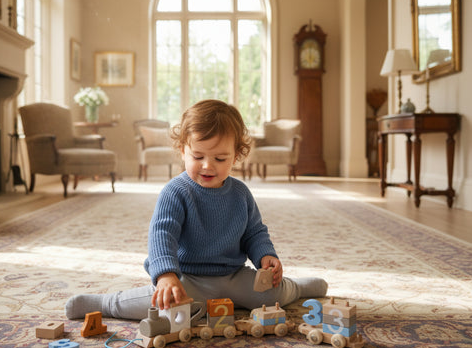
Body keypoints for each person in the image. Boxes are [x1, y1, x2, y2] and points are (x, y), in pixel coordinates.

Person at [65, 99, 327, 321]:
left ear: (236, 156)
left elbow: (254, 232)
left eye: (220, 159)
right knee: (166, 307)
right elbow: (161, 235)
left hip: (233, 276)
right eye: (198, 156)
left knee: (272, 294)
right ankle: (106, 303)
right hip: (187, 277)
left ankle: (296, 288)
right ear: (182, 151)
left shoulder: (241, 193)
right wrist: (166, 276)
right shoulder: (175, 191)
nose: (207, 166)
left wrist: (266, 256)